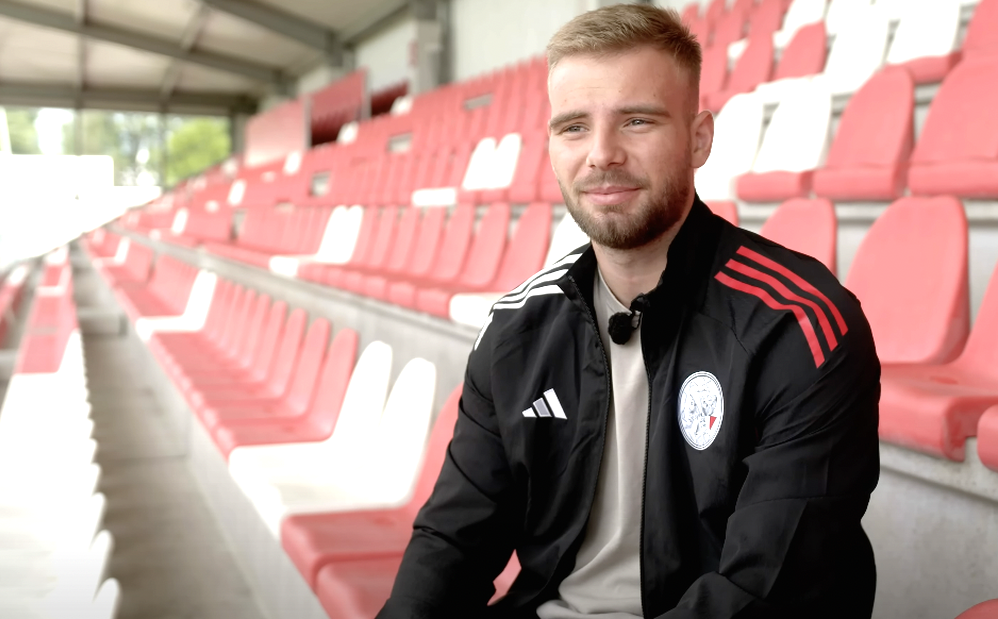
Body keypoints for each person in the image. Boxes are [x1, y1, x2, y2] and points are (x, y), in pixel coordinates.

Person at [376, 4, 881, 618]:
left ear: (699, 139)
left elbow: (763, 593)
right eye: (573, 128)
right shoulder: (517, 330)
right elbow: (453, 542)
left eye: (636, 121)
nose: (602, 153)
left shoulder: (799, 324)